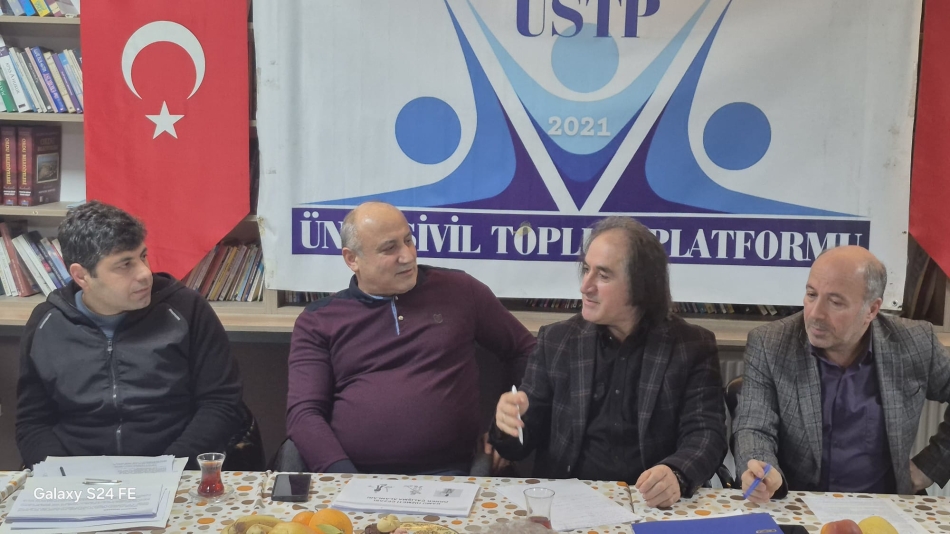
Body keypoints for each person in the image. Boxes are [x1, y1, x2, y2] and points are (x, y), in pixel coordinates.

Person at [491, 216, 727, 508]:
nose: (585, 286)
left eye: (602, 275)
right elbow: (519, 446)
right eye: (586, 270)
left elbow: (706, 434)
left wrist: (676, 473)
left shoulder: (691, 346)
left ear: (641, 285)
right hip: (568, 505)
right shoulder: (557, 341)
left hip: (650, 505)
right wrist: (509, 423)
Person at [287, 201, 535, 475]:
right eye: (389, 248)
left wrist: (505, 425)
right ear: (352, 259)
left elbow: (526, 351)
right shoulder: (319, 319)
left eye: (408, 240)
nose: (407, 256)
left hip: (451, 473)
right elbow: (304, 414)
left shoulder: (460, 290)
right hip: (352, 473)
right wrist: (345, 477)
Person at [16, 201, 244, 468]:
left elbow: (220, 403)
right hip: (76, 473)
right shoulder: (47, 323)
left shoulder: (186, 309)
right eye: (124, 265)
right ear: (81, 276)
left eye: (142, 256)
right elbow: (33, 421)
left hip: (175, 466)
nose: (145, 273)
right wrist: (61, 473)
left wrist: (170, 467)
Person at [734, 245, 950, 501]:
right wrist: (762, 470)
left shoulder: (914, 342)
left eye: (835, 302)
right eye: (811, 294)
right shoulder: (771, 343)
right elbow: (754, 427)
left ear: (871, 310)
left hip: (884, 504)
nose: (815, 313)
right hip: (798, 502)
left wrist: (930, 465)